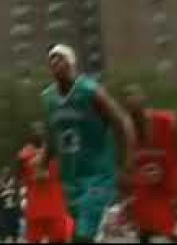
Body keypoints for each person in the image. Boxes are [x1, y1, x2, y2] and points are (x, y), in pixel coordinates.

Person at [39, 44, 137, 243]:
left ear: (72, 64)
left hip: (98, 174)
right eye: (51, 60)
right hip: (71, 177)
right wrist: (42, 164)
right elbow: (51, 135)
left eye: (60, 58)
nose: (55, 63)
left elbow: (123, 122)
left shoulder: (90, 90)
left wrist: (127, 163)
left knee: (83, 234)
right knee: (81, 231)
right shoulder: (48, 98)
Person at [122, 84, 177, 243]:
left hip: (165, 177)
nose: (131, 103)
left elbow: (176, 151)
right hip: (145, 178)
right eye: (128, 101)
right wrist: (128, 177)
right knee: (144, 222)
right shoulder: (129, 125)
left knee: (166, 223)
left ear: (143, 100)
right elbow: (130, 154)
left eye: (134, 98)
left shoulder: (164, 120)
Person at [16, 122, 74, 243]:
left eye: (41, 130)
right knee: (35, 240)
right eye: (35, 131)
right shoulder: (25, 155)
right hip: (37, 208)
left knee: (58, 239)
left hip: (55, 207)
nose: (39, 133)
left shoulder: (57, 155)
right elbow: (35, 174)